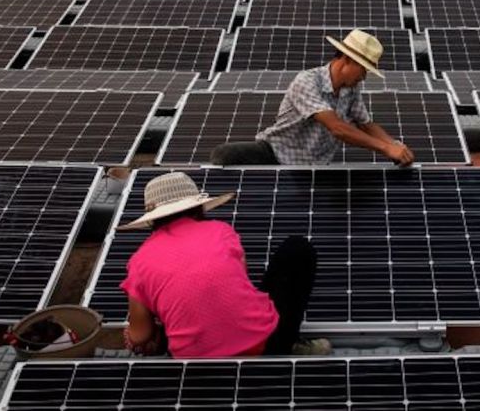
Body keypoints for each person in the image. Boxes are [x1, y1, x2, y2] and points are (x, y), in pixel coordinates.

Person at [119, 171, 328, 357]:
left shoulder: (139, 261)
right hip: (267, 344)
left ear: (152, 220)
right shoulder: (220, 231)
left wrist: (136, 334)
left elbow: (140, 335)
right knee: (298, 249)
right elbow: (239, 282)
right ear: (198, 207)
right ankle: (290, 346)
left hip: (193, 365)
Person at [210, 29, 416, 167]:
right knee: (224, 155)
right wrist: (385, 148)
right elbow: (338, 128)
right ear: (347, 60)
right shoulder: (307, 81)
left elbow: (366, 124)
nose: (364, 76)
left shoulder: (351, 89)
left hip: (313, 166)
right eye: (363, 69)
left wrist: (396, 145)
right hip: (276, 154)